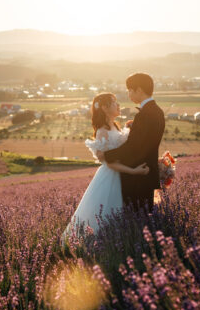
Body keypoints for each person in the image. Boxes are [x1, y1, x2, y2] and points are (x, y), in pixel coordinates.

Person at [63, 92, 149, 239]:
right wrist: (133, 171)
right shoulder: (102, 132)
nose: (118, 105)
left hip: (122, 175)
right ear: (104, 108)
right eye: (114, 103)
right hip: (111, 177)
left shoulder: (115, 127)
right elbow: (110, 163)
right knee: (107, 214)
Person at [97, 72, 165, 212]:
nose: (128, 94)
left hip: (138, 177)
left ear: (139, 90)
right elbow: (145, 140)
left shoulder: (144, 115)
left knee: (137, 218)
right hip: (147, 174)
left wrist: (107, 155)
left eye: (130, 90)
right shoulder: (157, 111)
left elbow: (133, 147)